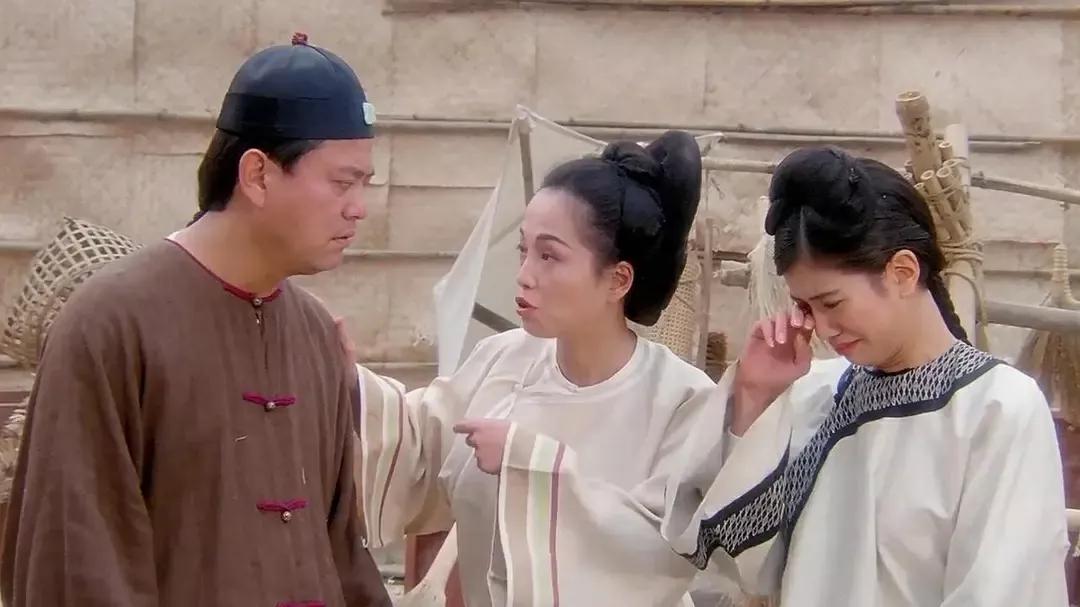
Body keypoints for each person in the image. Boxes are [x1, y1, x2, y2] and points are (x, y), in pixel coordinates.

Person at [1, 34, 392, 606]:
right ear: (257, 175)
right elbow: (77, 563)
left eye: (365, 184)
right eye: (342, 182)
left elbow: (341, 555)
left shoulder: (314, 334)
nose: (359, 207)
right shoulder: (110, 324)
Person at [662, 146, 1068, 605]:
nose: (822, 328)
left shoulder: (997, 408)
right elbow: (739, 563)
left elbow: (1003, 590)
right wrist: (756, 399)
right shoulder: (817, 396)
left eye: (832, 303)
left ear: (903, 272)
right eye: (805, 307)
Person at [348, 132, 724, 605]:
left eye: (549, 256)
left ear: (618, 279)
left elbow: (659, 554)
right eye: (523, 251)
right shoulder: (503, 358)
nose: (525, 275)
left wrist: (534, 464)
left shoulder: (683, 400)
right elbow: (417, 444)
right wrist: (343, 382)